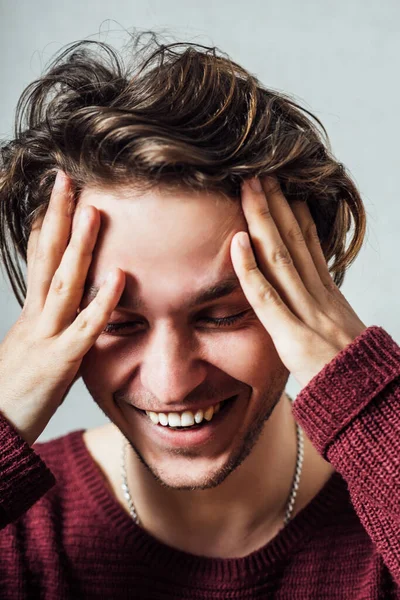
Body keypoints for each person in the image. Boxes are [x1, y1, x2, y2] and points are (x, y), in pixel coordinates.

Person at [0, 32, 398, 599]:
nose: (171, 382)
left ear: (310, 294)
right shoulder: (21, 537)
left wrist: (371, 398)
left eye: (224, 315)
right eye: (116, 323)